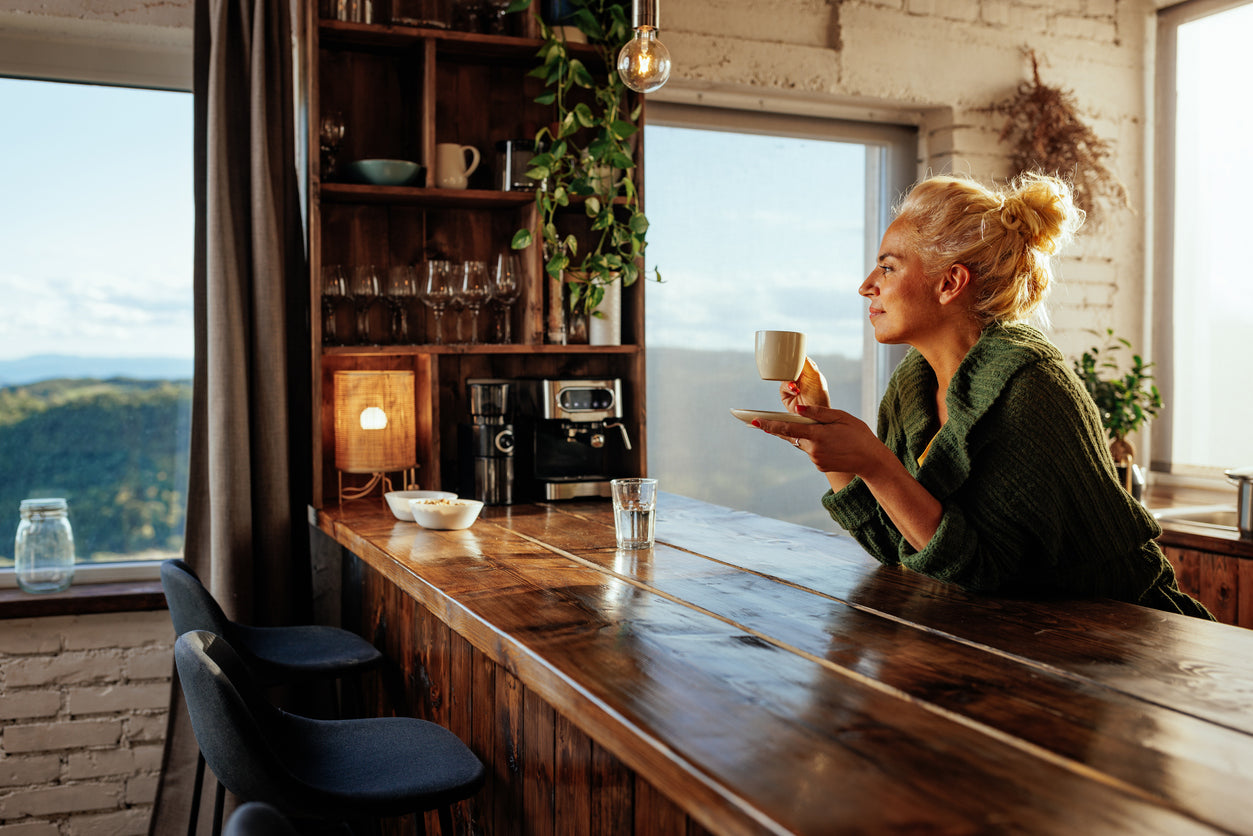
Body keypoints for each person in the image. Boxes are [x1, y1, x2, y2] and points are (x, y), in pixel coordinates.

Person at [752, 172, 1212, 619]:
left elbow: (983, 571)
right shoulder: (912, 386)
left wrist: (874, 462)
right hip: (1015, 640)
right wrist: (825, 428)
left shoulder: (1031, 389)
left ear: (950, 283)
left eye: (888, 267)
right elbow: (895, 546)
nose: (866, 285)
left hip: (1131, 638)